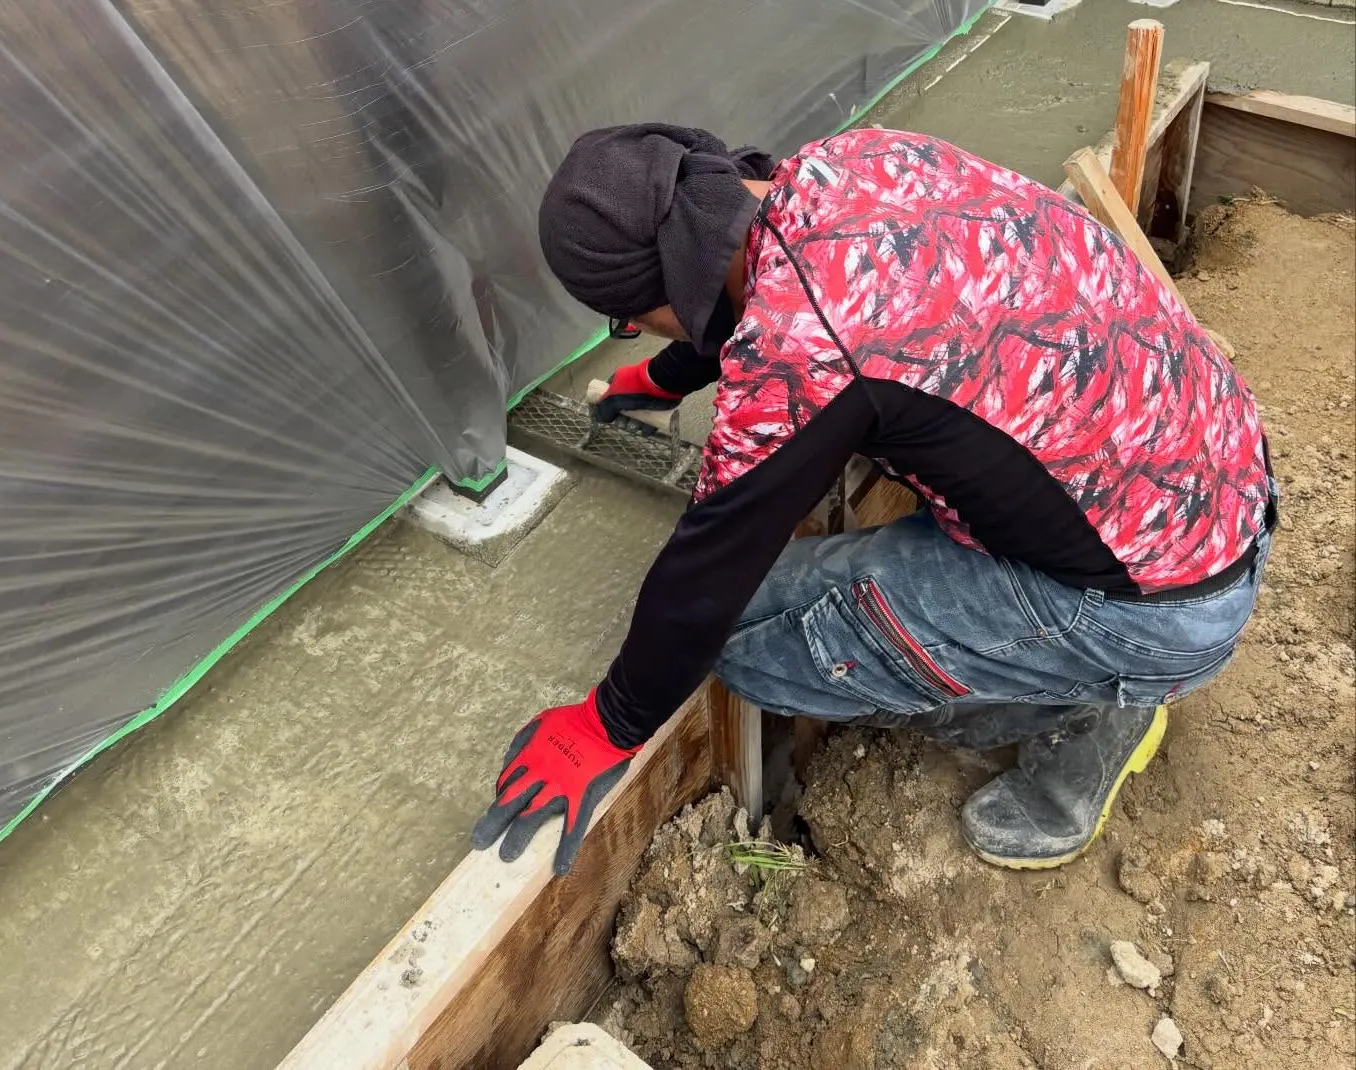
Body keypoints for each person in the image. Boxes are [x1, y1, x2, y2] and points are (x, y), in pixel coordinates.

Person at [473, 122, 1275, 877]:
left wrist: (608, 723)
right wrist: (665, 375)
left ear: (660, 291)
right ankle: (1095, 666)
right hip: (1215, 487)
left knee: (747, 643)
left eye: (631, 322)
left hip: (1158, 608)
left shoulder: (800, 351)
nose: (641, 332)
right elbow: (759, 286)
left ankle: (1090, 710)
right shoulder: (851, 162)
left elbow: (705, 573)